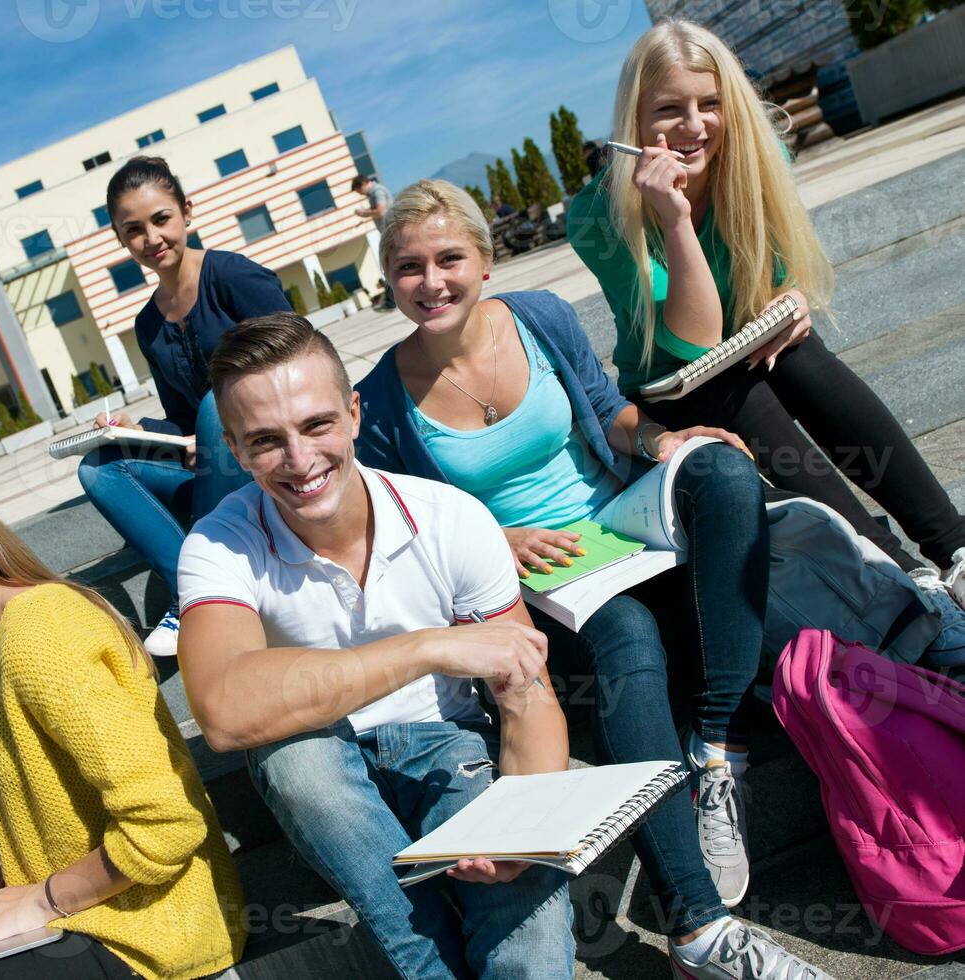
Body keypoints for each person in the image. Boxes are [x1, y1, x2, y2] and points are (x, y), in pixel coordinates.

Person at [354, 178, 835, 980]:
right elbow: (401, 523)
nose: (430, 282)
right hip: (531, 581)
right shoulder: (378, 402)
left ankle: (714, 746)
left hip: (617, 522)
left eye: (447, 258)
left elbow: (607, 409)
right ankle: (698, 929)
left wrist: (660, 443)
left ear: (483, 259)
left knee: (716, 467)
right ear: (389, 279)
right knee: (626, 632)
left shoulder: (539, 317)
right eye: (408, 267)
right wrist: (490, 536)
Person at [176, 312, 576, 980]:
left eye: (316, 425)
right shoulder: (220, 544)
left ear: (354, 413)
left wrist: (521, 835)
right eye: (266, 441)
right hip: (318, 752)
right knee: (300, 765)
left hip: (448, 744)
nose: (300, 461)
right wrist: (426, 649)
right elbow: (222, 711)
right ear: (238, 454)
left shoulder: (450, 519)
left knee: (527, 920)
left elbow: (529, 698)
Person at [566, 19, 965, 614]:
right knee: (735, 385)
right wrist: (673, 218)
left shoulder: (756, 157)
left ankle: (953, 546)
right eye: (669, 109)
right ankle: (901, 574)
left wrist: (794, 298)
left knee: (800, 351)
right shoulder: (599, 214)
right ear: (635, 123)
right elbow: (692, 340)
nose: (695, 126)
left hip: (757, 351)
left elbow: (772, 271)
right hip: (675, 387)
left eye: (710, 103)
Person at [0, 454, 245, 980]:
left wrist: (38, 900)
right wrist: (11, 872)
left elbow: (167, 823)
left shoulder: (41, 631)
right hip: (97, 914)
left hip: (154, 931)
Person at [78, 156, 293, 656]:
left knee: (220, 405)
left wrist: (223, 426)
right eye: (133, 230)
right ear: (121, 241)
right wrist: (139, 428)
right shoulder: (147, 325)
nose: (151, 238)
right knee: (99, 469)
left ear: (186, 213)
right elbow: (181, 417)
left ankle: (200, 590)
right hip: (212, 463)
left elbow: (302, 362)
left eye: (160, 219)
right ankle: (198, 591)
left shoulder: (232, 276)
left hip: (270, 447)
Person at [353, 174, 397, 310]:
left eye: (358, 191)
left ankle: (391, 302)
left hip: (392, 234)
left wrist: (363, 213)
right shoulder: (375, 192)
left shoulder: (376, 191)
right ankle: (391, 301)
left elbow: (380, 211)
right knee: (390, 266)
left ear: (363, 185)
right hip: (390, 233)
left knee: (389, 266)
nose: (360, 194)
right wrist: (364, 219)